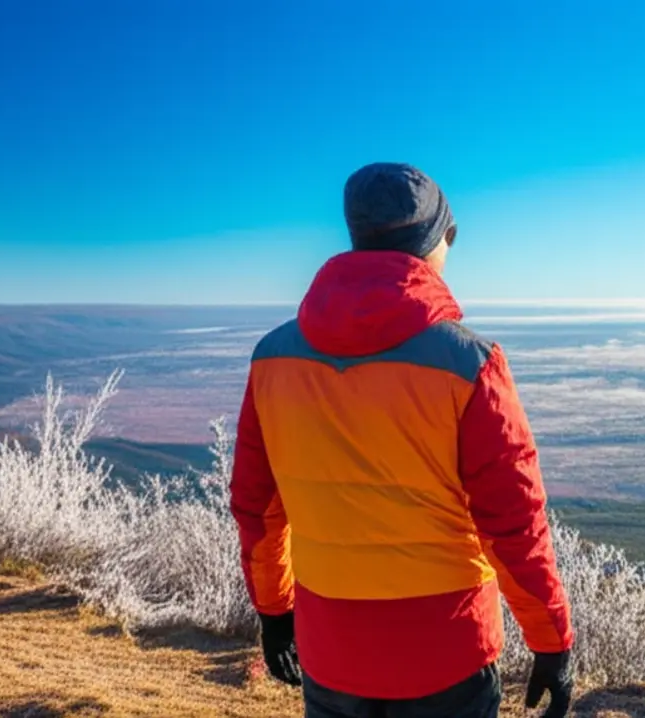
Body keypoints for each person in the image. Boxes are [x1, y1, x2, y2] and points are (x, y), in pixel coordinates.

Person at [229, 162, 574, 718]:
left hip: (331, 650)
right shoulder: (470, 363)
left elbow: (258, 509)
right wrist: (551, 640)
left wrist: (274, 612)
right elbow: (513, 524)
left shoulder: (273, 358)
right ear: (433, 243)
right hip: (448, 651)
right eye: (450, 237)